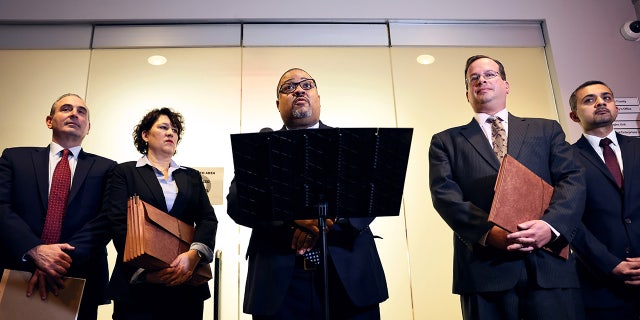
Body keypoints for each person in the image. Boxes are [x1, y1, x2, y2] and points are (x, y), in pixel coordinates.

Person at [428, 55, 586, 320]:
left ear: (506, 84)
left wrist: (550, 227)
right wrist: (490, 233)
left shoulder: (546, 129)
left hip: (550, 267)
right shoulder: (446, 141)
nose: (481, 80)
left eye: (490, 74)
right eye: (473, 78)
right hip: (484, 270)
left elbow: (572, 180)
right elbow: (445, 197)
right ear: (467, 92)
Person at [226, 68, 388, 319]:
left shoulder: (350, 143)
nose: (299, 90)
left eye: (306, 85)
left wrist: (330, 222)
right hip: (279, 282)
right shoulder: (262, 144)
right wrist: (291, 220)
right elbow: (237, 202)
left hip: (348, 274)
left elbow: (372, 196)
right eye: (288, 87)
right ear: (278, 103)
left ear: (318, 97)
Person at [81, 107, 218, 320]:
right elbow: (117, 221)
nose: (171, 133)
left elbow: (207, 219)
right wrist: (146, 271)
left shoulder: (191, 176)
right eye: (163, 127)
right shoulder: (124, 172)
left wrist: (193, 256)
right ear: (145, 135)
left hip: (186, 284)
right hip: (137, 286)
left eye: (174, 130)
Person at [0, 93, 116, 320]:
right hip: (16, 271)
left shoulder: (108, 168)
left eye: (81, 111)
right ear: (49, 120)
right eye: (66, 108)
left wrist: (57, 259)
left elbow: (107, 219)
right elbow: (1, 207)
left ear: (88, 127)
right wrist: (35, 250)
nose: (74, 113)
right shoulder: (14, 158)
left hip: (78, 277)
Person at [568, 80, 640, 319]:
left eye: (606, 97)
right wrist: (610, 264)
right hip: (600, 288)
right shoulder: (565, 159)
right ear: (574, 115)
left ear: (616, 108)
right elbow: (569, 221)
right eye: (589, 100)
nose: (600, 103)